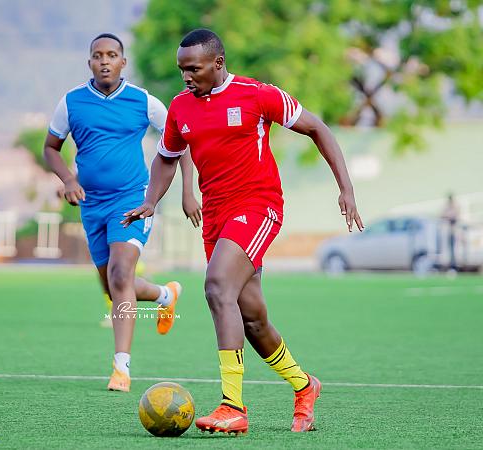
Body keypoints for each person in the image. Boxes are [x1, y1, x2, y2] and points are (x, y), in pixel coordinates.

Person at [123, 29, 364, 434]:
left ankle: (233, 406)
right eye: (182, 69)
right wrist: (151, 201)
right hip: (216, 217)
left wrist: (347, 188)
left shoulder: (258, 95)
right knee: (252, 319)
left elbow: (318, 128)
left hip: (258, 206)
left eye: (194, 69)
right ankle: (305, 386)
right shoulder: (181, 107)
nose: (186, 77)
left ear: (218, 63)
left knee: (217, 286)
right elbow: (166, 158)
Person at [43, 33, 201, 392]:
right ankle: (164, 295)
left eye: (111, 55)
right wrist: (68, 179)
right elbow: (51, 148)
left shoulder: (143, 102)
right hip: (91, 205)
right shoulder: (71, 102)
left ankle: (121, 368)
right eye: (98, 55)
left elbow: (182, 140)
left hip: (132, 200)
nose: (104, 61)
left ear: (122, 62)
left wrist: (187, 191)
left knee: (120, 275)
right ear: (89, 62)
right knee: (114, 285)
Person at [441, 193, 460, 273]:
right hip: (448, 232)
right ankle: (450, 266)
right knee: (449, 250)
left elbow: (455, 217)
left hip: (454, 232)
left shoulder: (454, 207)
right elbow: (442, 215)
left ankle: (453, 266)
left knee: (454, 250)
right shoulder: (447, 207)